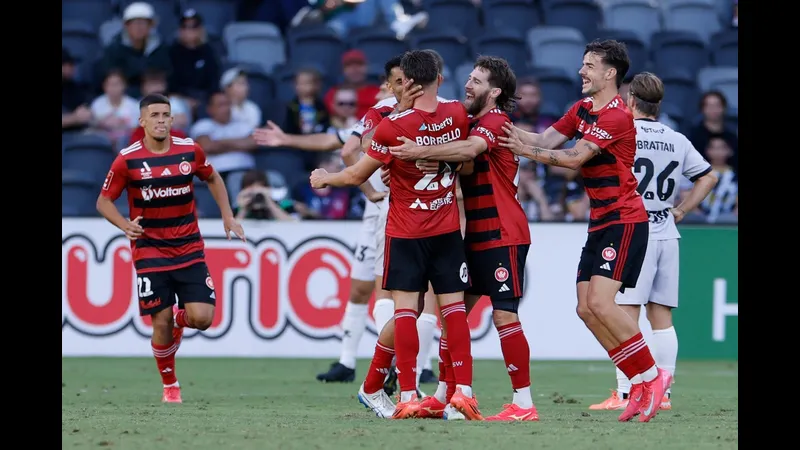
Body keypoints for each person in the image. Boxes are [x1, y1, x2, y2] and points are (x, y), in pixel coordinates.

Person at [497, 40, 671, 423]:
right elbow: (544, 141)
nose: (581, 71)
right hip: (601, 223)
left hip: (626, 221)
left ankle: (652, 377)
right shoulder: (582, 109)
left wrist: (520, 150)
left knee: (604, 304)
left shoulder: (616, 117)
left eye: (589, 65)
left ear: (610, 74)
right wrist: (497, 128)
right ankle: (640, 381)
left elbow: (574, 158)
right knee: (585, 308)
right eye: (582, 64)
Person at [309, 50, 482, 420]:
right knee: (453, 312)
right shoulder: (457, 114)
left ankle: (406, 395)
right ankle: (462, 393)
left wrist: (326, 178)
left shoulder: (392, 126)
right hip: (447, 227)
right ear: (439, 76)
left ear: (406, 82)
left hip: (405, 231)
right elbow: (468, 163)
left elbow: (356, 174)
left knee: (406, 312)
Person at [253, 55, 441, 390]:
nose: (399, 87)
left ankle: (413, 364)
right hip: (382, 210)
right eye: (394, 82)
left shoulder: (436, 110)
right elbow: (340, 144)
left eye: (405, 81)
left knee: (406, 290)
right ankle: (351, 361)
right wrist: (367, 189)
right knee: (364, 288)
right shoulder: (381, 112)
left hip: (416, 208)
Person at [387, 56, 538, 421]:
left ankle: (524, 403)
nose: (467, 84)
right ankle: (444, 393)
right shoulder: (468, 122)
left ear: (494, 92)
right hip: (474, 233)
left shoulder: (495, 122)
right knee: (453, 315)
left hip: (503, 232)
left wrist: (420, 152)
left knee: (504, 317)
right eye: (468, 77)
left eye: (476, 80)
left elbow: (470, 151)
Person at [96, 94, 245, 403]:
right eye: (155, 115)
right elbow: (103, 201)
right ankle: (170, 385)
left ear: (172, 119)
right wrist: (124, 225)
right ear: (143, 122)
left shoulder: (190, 150)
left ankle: (182, 322)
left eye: (166, 114)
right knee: (160, 320)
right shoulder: (128, 158)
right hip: (150, 250)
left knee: (203, 319)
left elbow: (213, 177)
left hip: (189, 247)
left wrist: (227, 215)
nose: (161, 120)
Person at [588, 73, 718, 412]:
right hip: (667, 230)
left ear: (631, 101)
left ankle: (628, 392)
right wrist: (684, 209)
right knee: (662, 317)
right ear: (658, 104)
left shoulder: (625, 133)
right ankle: (665, 395)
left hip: (634, 229)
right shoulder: (676, 138)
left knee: (625, 311)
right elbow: (709, 176)